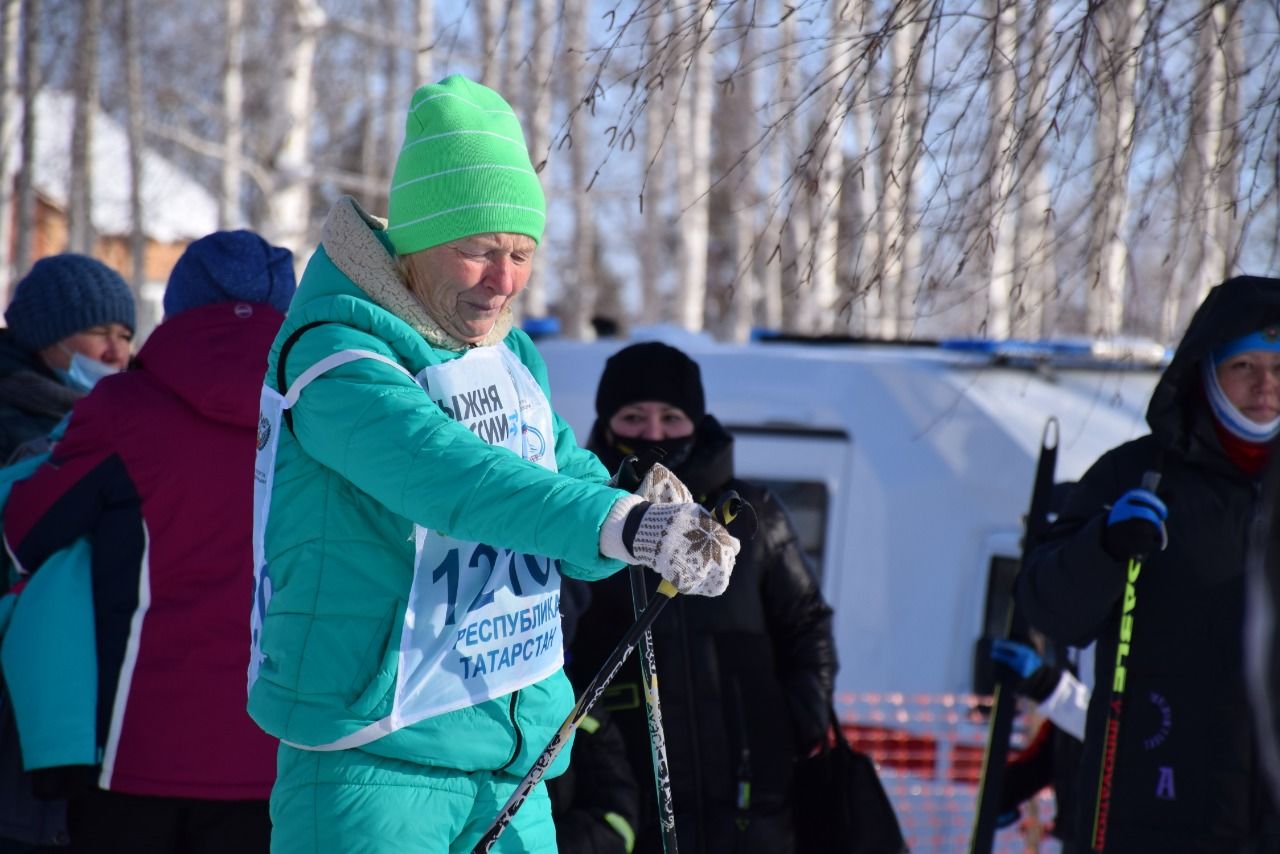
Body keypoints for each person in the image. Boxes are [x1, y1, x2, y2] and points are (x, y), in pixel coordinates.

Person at [244, 74, 739, 853]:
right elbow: (449, 476)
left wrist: (638, 499)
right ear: (415, 243)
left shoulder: (507, 353)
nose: (503, 280)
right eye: (477, 252)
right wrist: (622, 524)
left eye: (520, 253)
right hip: (379, 756)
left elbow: (552, 466)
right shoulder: (335, 362)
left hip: (514, 752)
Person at [2, 230, 295, 852]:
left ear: (177, 307)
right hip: (283, 750)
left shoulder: (121, 410)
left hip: (136, 750)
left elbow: (22, 534)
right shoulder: (323, 414)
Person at [1017, 274, 1280, 852]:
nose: (1266, 387)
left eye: (1279, 369)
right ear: (1207, 369)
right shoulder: (1135, 474)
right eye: (1245, 367)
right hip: (1157, 810)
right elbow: (1047, 606)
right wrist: (1103, 548)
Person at [566, 340, 838, 853]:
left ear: (697, 420)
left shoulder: (752, 513)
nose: (653, 433)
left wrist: (798, 719)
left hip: (751, 797)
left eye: (671, 416)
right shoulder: (587, 518)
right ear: (606, 424)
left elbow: (806, 623)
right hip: (627, 796)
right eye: (633, 416)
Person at [0, 253, 135, 463]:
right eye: (99, 332)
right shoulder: (8, 421)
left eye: (125, 337)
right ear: (45, 337)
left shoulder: (137, 414)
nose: (116, 353)